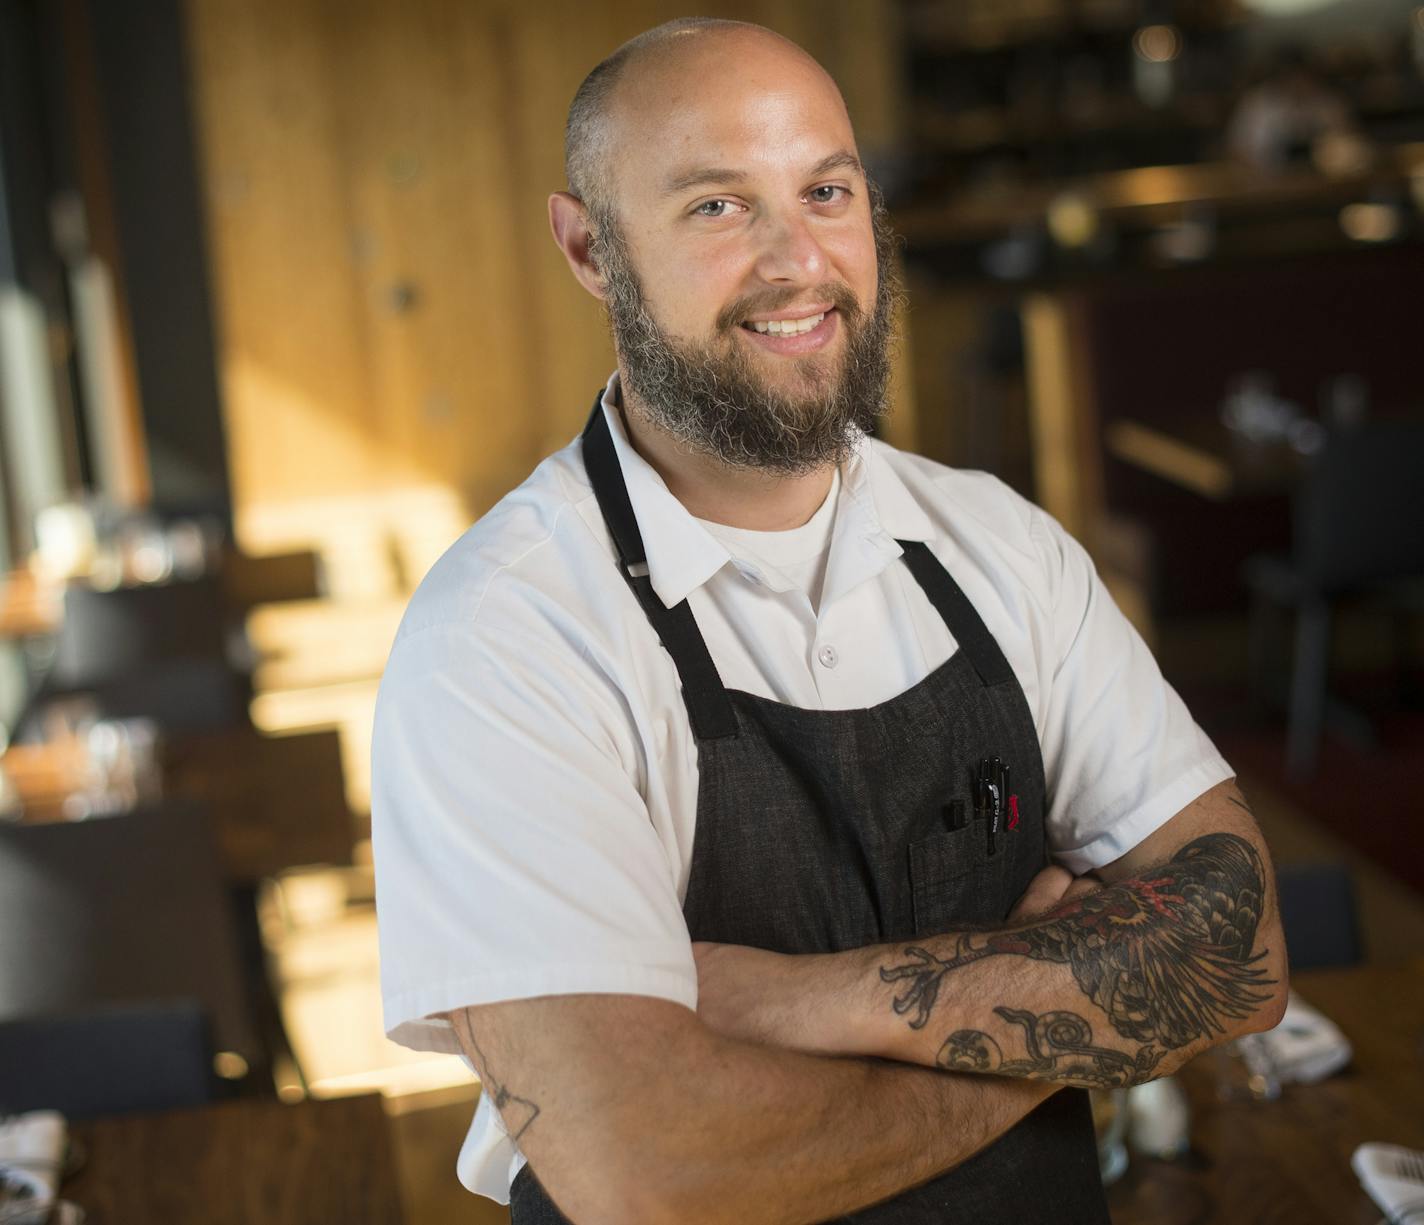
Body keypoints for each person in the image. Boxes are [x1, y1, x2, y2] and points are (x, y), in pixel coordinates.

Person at [372, 18, 1288, 1223]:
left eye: (826, 190)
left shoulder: (999, 547)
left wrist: (805, 999)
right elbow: (649, 1175)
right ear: (590, 248)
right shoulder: (502, 640)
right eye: (716, 206)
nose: (797, 261)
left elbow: (1240, 948)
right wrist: (1055, 1032)